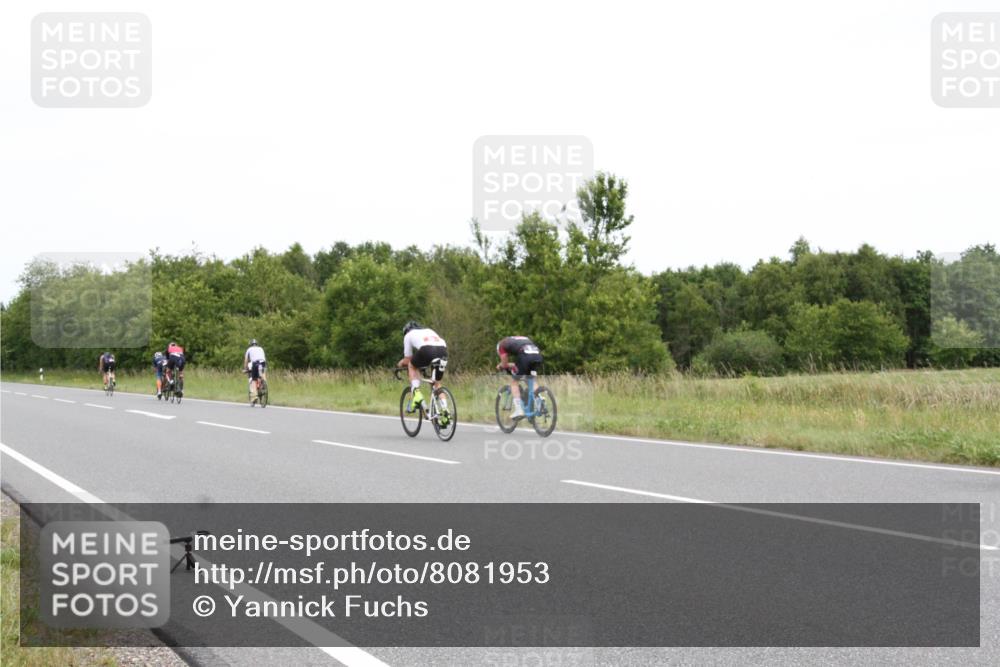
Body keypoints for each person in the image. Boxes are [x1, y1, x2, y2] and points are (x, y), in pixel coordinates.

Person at [397, 321, 448, 412]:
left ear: (406, 331)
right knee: (437, 383)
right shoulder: (428, 330)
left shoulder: (408, 335)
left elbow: (407, 359)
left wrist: (399, 364)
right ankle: (445, 411)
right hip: (443, 351)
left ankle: (416, 393)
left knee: (411, 366)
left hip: (427, 350)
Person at [496, 336, 543, 420]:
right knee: (530, 379)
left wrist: (500, 366)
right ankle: (540, 399)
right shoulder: (519, 339)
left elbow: (504, 363)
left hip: (525, 355)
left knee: (514, 382)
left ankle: (518, 410)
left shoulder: (501, 346)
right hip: (537, 355)